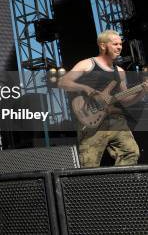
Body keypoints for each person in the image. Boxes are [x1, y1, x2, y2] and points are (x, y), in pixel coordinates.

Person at [58, 30, 147, 167]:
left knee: (131, 152)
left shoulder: (120, 71)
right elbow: (63, 82)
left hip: (116, 120)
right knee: (89, 164)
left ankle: (118, 185)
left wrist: (142, 92)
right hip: (92, 120)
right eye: (115, 44)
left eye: (120, 44)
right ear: (103, 45)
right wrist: (87, 89)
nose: (119, 47)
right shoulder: (88, 64)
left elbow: (125, 100)